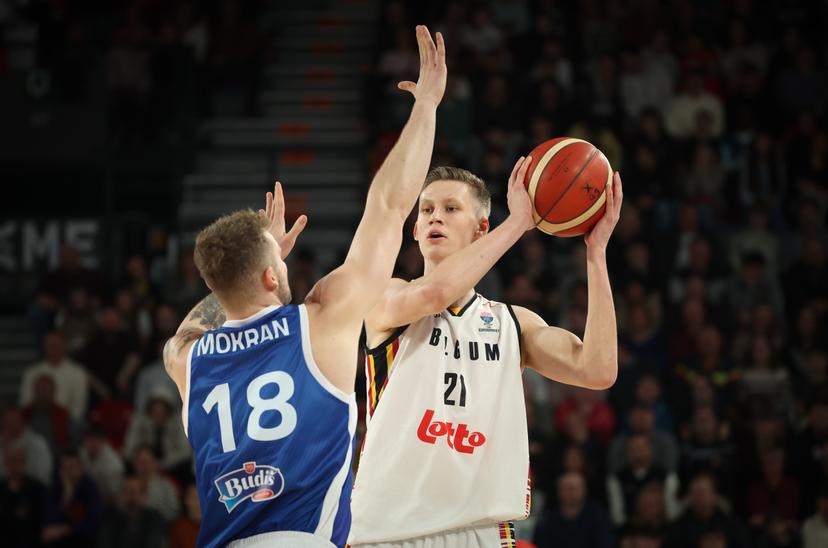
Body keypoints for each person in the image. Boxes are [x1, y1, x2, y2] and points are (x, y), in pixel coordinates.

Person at [162, 25, 447, 548]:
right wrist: (426, 107)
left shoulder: (188, 359)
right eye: (279, 261)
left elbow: (193, 323)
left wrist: (247, 264)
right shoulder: (320, 321)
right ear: (271, 276)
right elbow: (388, 208)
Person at [349, 163, 623, 543]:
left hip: (481, 529)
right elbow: (435, 294)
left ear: (481, 228)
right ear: (415, 230)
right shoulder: (386, 296)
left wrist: (596, 254)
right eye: (427, 210)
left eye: (450, 208)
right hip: (389, 527)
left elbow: (598, 370)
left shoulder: (513, 323)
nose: (435, 217)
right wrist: (517, 224)